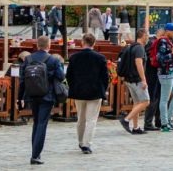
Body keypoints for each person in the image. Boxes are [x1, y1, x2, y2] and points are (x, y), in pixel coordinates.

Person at [20, 36, 66, 165]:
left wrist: (20, 97)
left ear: (37, 45)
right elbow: (61, 77)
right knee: (42, 124)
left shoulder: (28, 59)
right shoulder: (53, 59)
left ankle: (35, 152)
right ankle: (35, 155)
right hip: (47, 95)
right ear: (49, 45)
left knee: (36, 122)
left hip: (32, 95)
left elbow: (22, 80)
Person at [66, 33, 110, 156]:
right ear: (94, 43)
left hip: (79, 91)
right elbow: (105, 77)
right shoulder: (100, 58)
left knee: (81, 118)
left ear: (82, 42)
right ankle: (86, 144)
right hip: (95, 91)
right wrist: (103, 88)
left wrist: (74, 86)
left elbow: (69, 75)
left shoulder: (74, 57)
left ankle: (80, 141)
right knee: (91, 120)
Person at [115, 30, 150, 134]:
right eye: (147, 35)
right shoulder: (139, 48)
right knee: (145, 101)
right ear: (143, 36)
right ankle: (126, 120)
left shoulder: (131, 46)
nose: (148, 37)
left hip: (129, 79)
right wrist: (144, 80)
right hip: (136, 80)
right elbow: (138, 63)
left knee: (137, 103)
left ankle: (135, 127)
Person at [151, 23, 173, 132]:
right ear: (167, 31)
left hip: (171, 73)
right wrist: (172, 54)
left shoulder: (169, 42)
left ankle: (168, 119)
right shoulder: (163, 42)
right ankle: (164, 124)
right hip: (165, 73)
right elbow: (160, 59)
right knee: (164, 99)